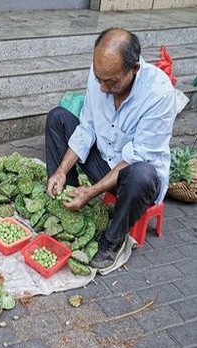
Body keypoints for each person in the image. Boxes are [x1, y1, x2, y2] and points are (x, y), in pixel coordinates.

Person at [45, 28, 177, 269]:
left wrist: (93, 191)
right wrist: (62, 170)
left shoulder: (159, 94)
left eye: (111, 81)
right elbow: (87, 128)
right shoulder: (101, 75)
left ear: (134, 69)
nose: (103, 88)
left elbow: (137, 158)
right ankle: (66, 203)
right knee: (58, 119)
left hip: (134, 182)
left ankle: (111, 241)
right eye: (99, 79)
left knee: (142, 174)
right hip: (104, 161)